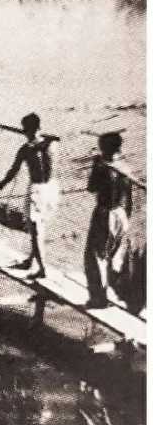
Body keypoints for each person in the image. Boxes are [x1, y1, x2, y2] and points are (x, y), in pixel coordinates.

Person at [0, 112, 58, 280]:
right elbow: (14, 169)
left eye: (28, 130)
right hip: (46, 189)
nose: (26, 133)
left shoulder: (42, 147)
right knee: (35, 227)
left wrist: (3, 182)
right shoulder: (44, 145)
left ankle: (42, 269)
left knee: (36, 229)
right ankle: (32, 260)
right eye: (25, 130)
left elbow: (47, 170)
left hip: (41, 190)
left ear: (36, 128)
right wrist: (4, 182)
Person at [84, 131, 132, 308]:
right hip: (121, 214)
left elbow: (91, 187)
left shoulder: (104, 168)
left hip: (105, 214)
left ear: (105, 149)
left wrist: (95, 166)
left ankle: (99, 298)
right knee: (112, 256)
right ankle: (113, 293)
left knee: (95, 257)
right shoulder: (125, 167)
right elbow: (129, 199)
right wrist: (126, 220)